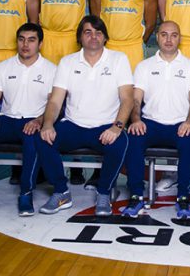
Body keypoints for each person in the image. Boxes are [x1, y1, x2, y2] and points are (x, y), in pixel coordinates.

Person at [34, 15, 134, 216]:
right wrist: (47, 124)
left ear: (105, 37)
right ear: (80, 37)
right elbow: (55, 101)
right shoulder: (68, 62)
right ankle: (61, 192)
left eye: (98, 32)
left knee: (120, 142)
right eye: (88, 32)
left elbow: (127, 99)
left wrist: (117, 127)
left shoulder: (118, 59)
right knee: (43, 139)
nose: (93, 36)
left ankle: (104, 193)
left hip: (105, 126)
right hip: (74, 125)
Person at [0, 23, 56, 216]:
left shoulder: (51, 69)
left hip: (32, 121)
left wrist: (39, 121)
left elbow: (53, 104)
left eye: (31, 40)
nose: (25, 44)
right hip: (6, 119)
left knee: (33, 140)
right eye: (22, 39)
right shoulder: (4, 67)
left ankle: (26, 193)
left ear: (40, 44)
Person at [34, 0, 97, 185]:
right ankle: (41, 163)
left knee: (76, 99)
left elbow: (94, 11)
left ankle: (77, 165)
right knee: (45, 96)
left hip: (73, 40)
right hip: (48, 38)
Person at [123, 21, 190, 219]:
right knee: (133, 138)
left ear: (179, 38)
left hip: (180, 124)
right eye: (164, 34)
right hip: (150, 123)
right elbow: (135, 99)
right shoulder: (144, 66)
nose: (169, 39)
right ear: (157, 37)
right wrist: (136, 119)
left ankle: (183, 197)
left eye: (174, 35)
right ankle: (136, 195)